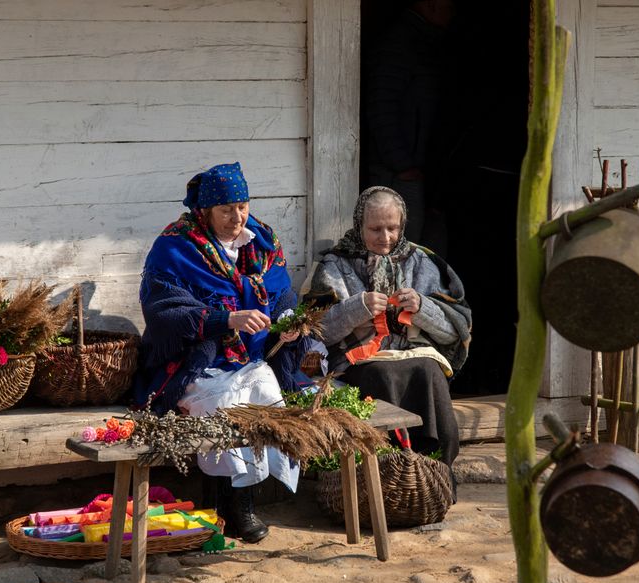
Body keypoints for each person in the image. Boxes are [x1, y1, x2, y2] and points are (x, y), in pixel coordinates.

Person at [135, 162, 307, 543]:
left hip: (248, 358)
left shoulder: (261, 241)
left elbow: (281, 293)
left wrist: (289, 320)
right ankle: (222, 507)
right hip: (196, 363)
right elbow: (165, 310)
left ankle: (243, 503)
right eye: (226, 209)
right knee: (222, 407)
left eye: (242, 205)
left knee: (268, 402)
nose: (237, 216)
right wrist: (225, 319)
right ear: (205, 211)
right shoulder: (176, 247)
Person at [306, 186, 471, 473]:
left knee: (428, 370)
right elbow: (316, 332)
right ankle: (389, 472)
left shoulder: (423, 262)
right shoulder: (335, 265)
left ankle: (434, 472)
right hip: (361, 361)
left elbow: (453, 332)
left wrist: (423, 308)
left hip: (414, 355)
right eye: (375, 229)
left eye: (392, 228)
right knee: (382, 373)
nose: (385, 238)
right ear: (359, 226)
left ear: (403, 225)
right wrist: (356, 308)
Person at [363, 0, 455, 247]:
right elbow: (381, 105)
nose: (453, 11)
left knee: (424, 248)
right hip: (399, 173)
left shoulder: (425, 42)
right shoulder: (401, 44)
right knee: (399, 247)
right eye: (449, 5)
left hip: (418, 168)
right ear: (431, 4)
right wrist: (402, 164)